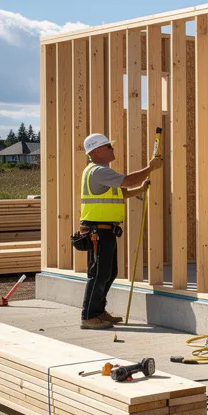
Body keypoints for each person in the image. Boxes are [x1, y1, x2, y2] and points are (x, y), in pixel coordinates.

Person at [77, 133, 161, 329]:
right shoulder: (97, 171)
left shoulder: (102, 172)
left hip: (105, 230)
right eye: (108, 147)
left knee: (109, 272)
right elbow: (127, 181)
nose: (112, 149)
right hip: (98, 230)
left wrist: (139, 189)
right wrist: (150, 168)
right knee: (99, 274)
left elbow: (121, 191)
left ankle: (98, 312)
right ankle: (89, 316)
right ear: (96, 151)